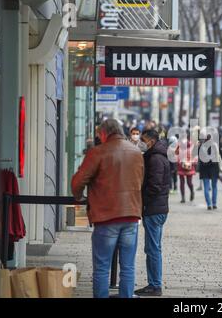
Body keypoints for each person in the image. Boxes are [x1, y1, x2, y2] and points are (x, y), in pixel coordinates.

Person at [71, 119, 144, 298]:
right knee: (128, 267)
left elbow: (78, 181)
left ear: (104, 133)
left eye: (99, 134)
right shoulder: (136, 152)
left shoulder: (98, 152)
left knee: (102, 267)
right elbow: (140, 180)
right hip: (131, 216)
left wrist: (79, 196)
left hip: (106, 216)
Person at [134, 129, 171, 297]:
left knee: (152, 248)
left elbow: (154, 186)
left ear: (151, 140)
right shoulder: (157, 155)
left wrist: (143, 201)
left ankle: (155, 285)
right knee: (154, 247)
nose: (141, 141)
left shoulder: (155, 158)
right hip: (157, 208)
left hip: (154, 209)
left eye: (143, 139)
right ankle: (153, 283)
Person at [198, 134, 220, 210]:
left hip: (204, 169)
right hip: (214, 168)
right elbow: (218, 157)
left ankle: (209, 204)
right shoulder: (215, 146)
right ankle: (214, 204)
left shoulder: (201, 146)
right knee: (214, 187)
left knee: (206, 187)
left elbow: (200, 159)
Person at [176, 137, 196, 203]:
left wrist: (191, 162)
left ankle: (192, 191)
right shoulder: (179, 146)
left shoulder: (192, 146)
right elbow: (176, 154)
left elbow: (195, 156)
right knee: (182, 182)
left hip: (189, 167)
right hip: (181, 166)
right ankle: (183, 197)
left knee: (189, 182)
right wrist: (180, 161)